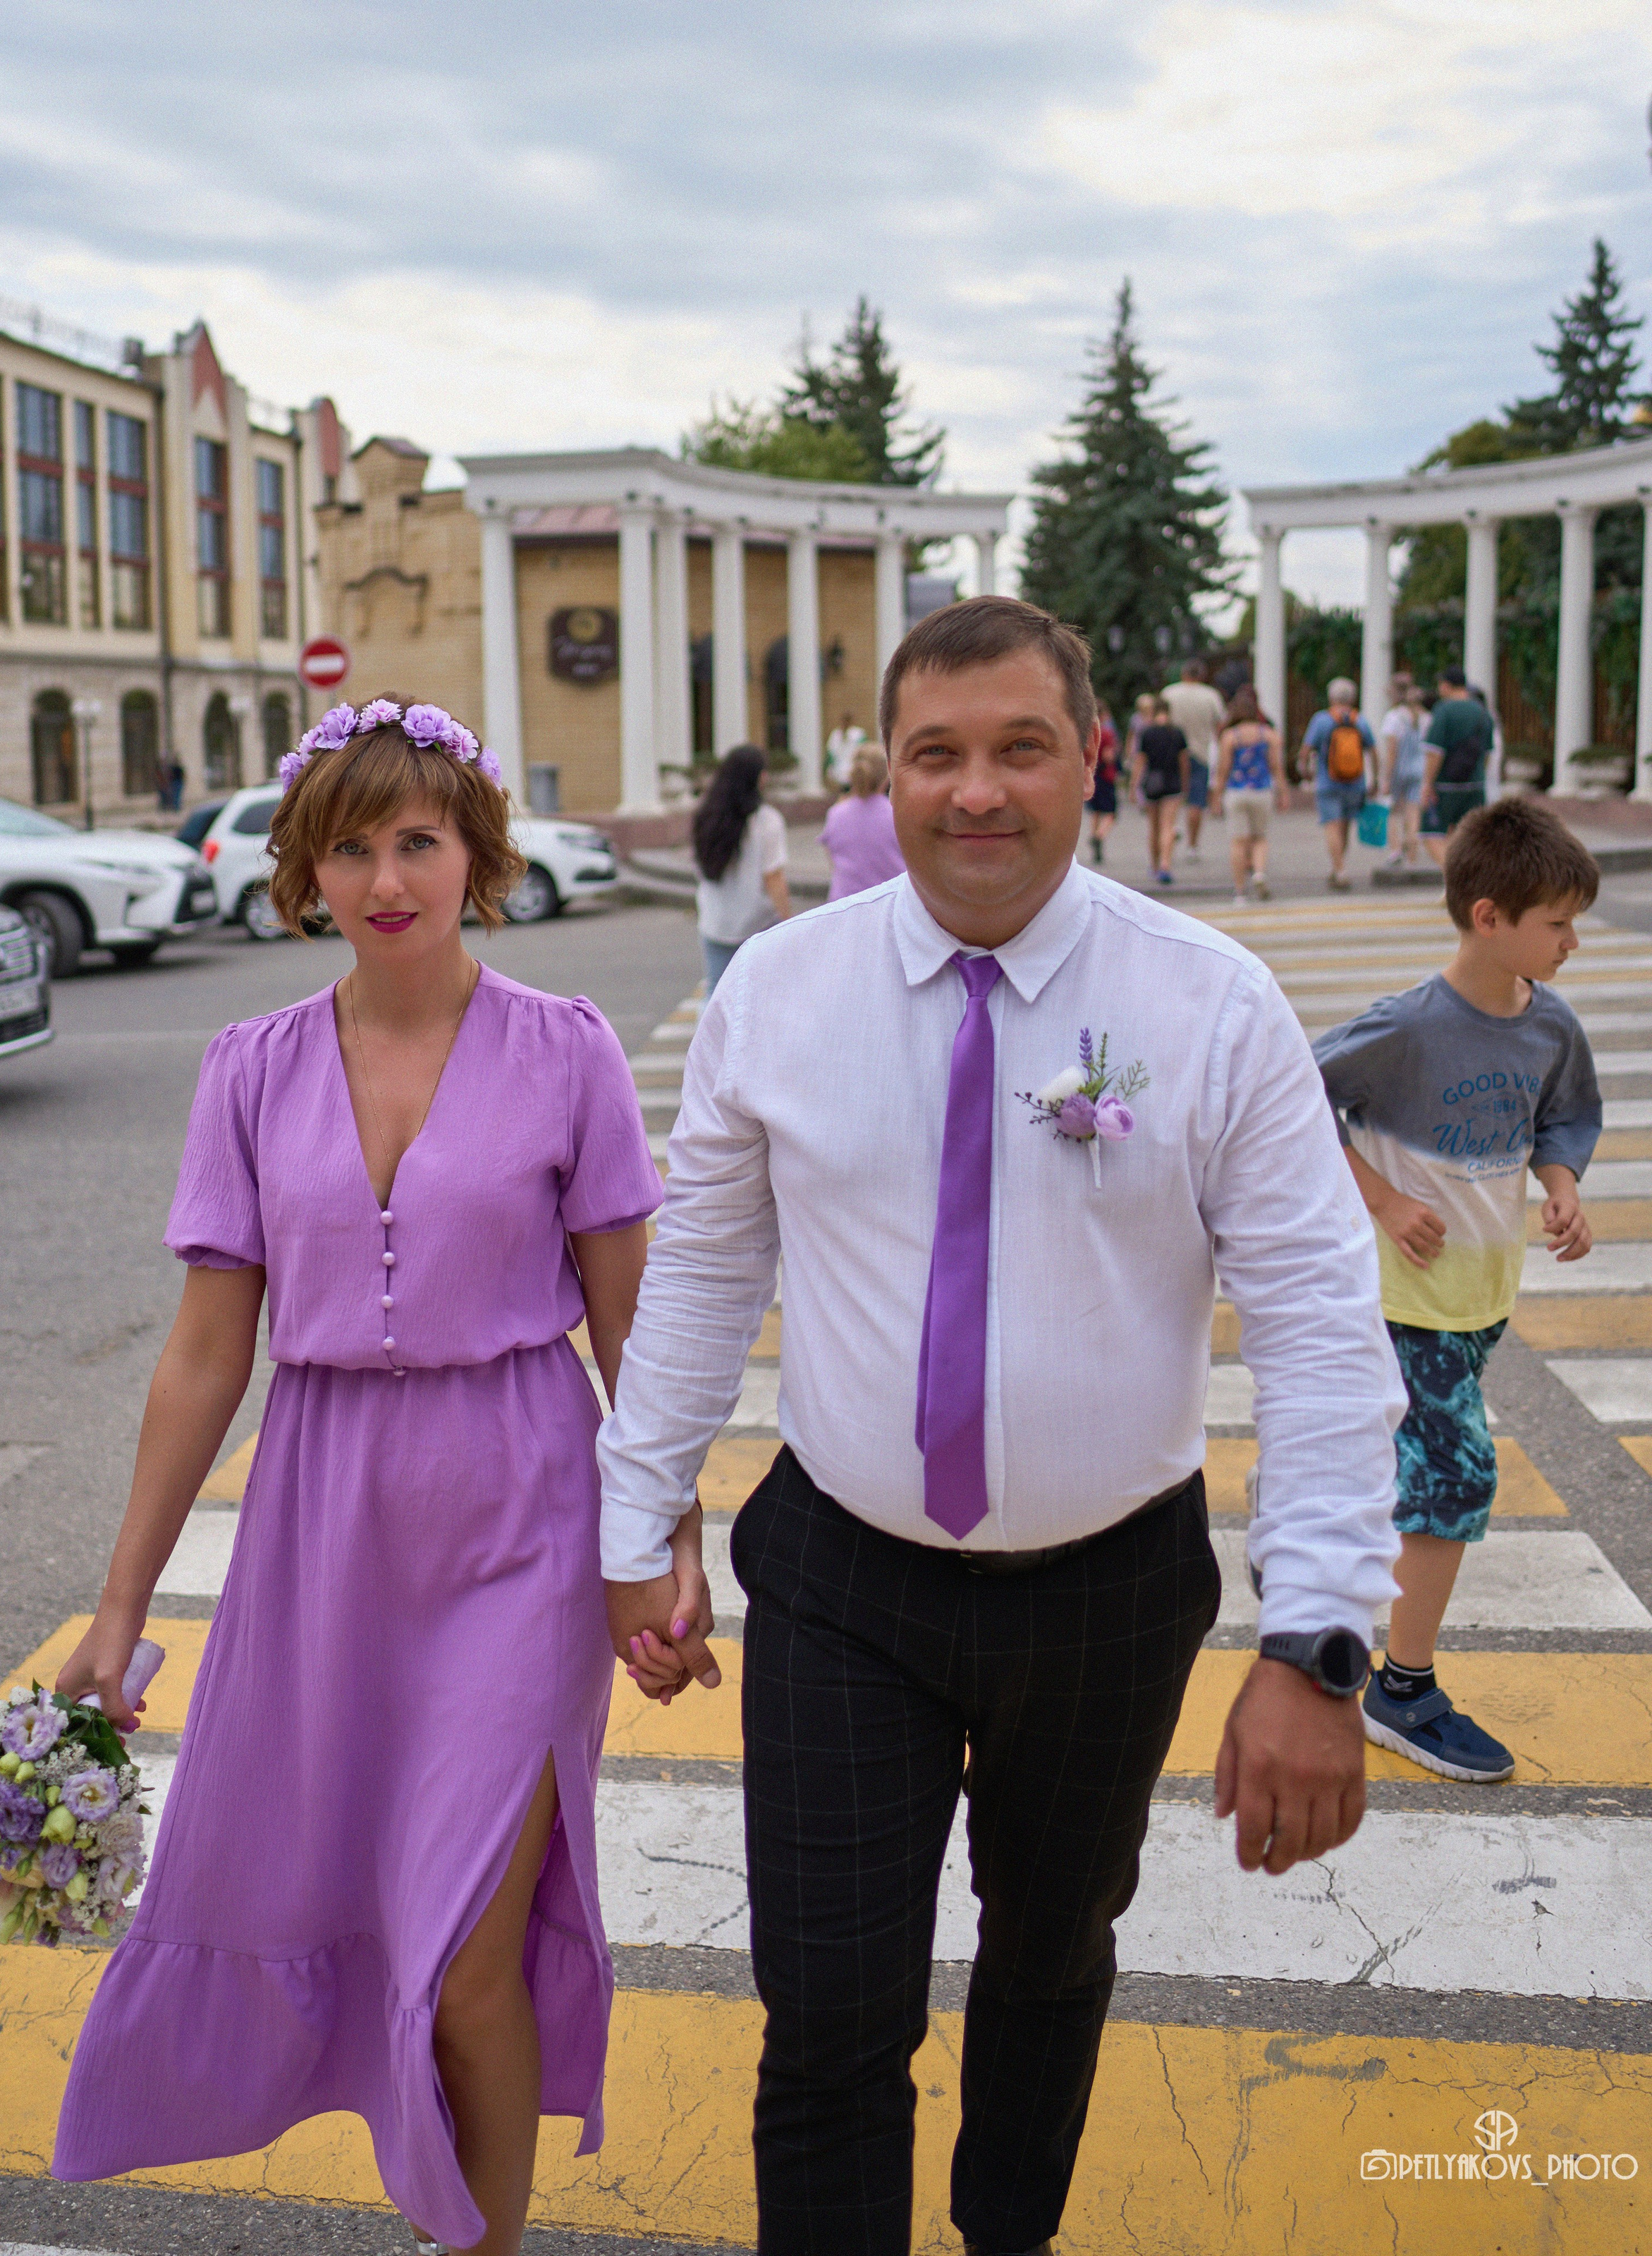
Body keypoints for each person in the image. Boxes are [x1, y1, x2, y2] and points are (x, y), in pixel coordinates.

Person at [599, 595, 1405, 2256]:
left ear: (1088, 761)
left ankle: (1002, 2234)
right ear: (879, 776)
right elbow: (698, 1274)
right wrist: (633, 1519)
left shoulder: (1208, 1003)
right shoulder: (776, 992)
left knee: (1049, 1964)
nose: (977, 792)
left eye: (1018, 749)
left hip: (1108, 1587)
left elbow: (1324, 1330)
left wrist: (1318, 1643)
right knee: (825, 2008)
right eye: (935, 754)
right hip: (842, 1580)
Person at [50, 698, 674, 2256]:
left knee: (464, 1949)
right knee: (358, 1907)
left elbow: (635, 1335)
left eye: (417, 840)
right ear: (304, 873)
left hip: (520, 1512)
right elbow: (206, 1355)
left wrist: (668, 1543)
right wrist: (116, 1612)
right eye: (351, 848)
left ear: (475, 853)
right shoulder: (249, 1066)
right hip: (320, 1530)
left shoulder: (569, 1049)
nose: (388, 877)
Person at [1313, 798, 1601, 1784]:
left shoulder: (1549, 1024)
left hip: (1482, 1300)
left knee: (1408, 1467)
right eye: (1558, 923)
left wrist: (1562, 1190)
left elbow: (1563, 1121)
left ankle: (1317, 1563)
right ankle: (1402, 1688)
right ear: (1489, 916)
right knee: (1457, 1479)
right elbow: (1298, 1100)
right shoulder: (1406, 1030)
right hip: (1409, 1301)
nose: (1572, 943)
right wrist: (1385, 1200)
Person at [693, 743, 792, 993]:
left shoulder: (706, 815)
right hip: (758, 927)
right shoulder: (766, 821)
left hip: (715, 922)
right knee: (762, 996)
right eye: (763, 772)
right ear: (754, 778)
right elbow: (774, 879)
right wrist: (790, 922)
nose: (767, 777)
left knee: (716, 994)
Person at [1213, 684, 1289, 904]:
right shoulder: (1269, 735)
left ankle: (1239, 892)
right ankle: (1259, 874)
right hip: (1262, 792)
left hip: (1236, 793)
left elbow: (1223, 770)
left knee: (1238, 842)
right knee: (1260, 838)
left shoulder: (1229, 737)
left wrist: (1217, 797)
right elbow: (1276, 767)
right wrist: (1283, 793)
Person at [1300, 676, 1375, 891]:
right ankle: (1339, 867)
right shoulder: (1360, 720)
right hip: (1355, 782)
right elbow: (1373, 750)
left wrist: (1305, 772)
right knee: (1344, 826)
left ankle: (1339, 869)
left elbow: (1307, 750)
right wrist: (1376, 779)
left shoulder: (1321, 720)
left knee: (1332, 825)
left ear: (1332, 697)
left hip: (1328, 782)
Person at [1421, 665, 1493, 868]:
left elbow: (1435, 752)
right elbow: (1487, 753)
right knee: (1468, 836)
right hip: (1475, 784)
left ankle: (1453, 879)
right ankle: (1466, 883)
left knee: (1431, 834)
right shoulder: (1482, 711)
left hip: (1446, 784)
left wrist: (1427, 784)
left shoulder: (1443, 710)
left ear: (1446, 685)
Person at [821, 744, 905, 900]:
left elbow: (833, 861)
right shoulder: (898, 815)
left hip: (843, 905)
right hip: (889, 903)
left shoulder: (836, 814)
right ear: (887, 777)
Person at [1163, 658, 1226, 862]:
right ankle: (1193, 845)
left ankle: (1169, 833)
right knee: (1196, 801)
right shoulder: (1211, 696)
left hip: (1171, 751)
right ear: (1201, 675)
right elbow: (1219, 726)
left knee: (1171, 797)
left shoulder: (1169, 693)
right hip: (1200, 751)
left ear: (1183, 674)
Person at [1132, 694, 1188, 885]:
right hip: (1173, 783)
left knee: (1153, 827)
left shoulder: (1147, 733)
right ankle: (1166, 865)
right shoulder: (1177, 733)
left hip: (1153, 783)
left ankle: (1154, 866)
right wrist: (1185, 783)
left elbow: (1140, 761)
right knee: (1168, 825)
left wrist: (1134, 787)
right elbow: (1184, 761)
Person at [1375, 680, 1429, 870]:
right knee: (1413, 813)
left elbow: (1391, 751)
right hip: (1420, 769)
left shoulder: (1394, 717)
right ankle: (1412, 856)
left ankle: (1396, 850)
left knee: (1390, 810)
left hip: (1399, 770)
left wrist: (1386, 777)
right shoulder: (1426, 717)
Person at [1087, 698, 1120, 865]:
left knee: (1095, 811)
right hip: (1105, 776)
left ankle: (1094, 836)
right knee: (1111, 813)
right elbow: (1108, 756)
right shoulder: (1106, 733)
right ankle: (1100, 836)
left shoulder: (1085, 732)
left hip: (1091, 775)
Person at [826, 713, 869, 792]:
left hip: (853, 767)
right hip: (839, 769)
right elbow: (831, 754)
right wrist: (829, 770)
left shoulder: (858, 734)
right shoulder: (836, 735)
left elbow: (863, 751)